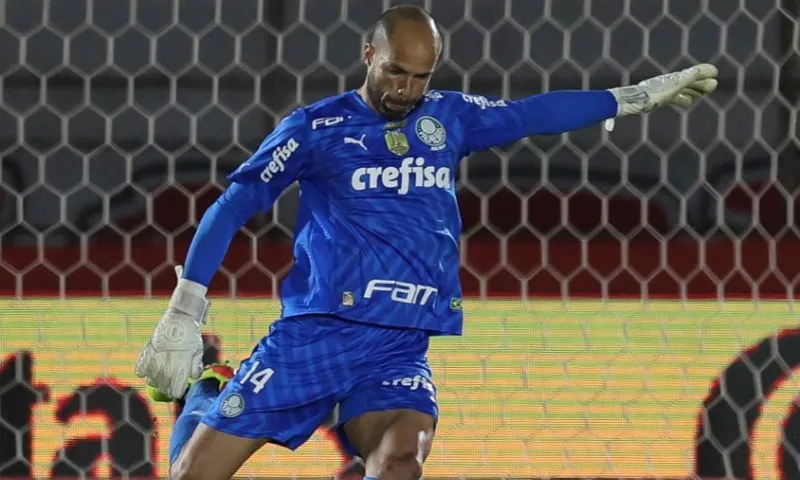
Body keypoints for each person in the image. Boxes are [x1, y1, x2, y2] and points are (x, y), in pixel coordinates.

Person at [134, 4, 718, 480]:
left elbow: (534, 113)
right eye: (395, 72)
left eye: (420, 77)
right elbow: (233, 205)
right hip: (316, 336)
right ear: (369, 55)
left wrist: (631, 97)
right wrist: (186, 309)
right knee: (191, 476)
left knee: (400, 463)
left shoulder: (449, 118)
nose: (406, 90)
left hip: (398, 348)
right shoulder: (316, 130)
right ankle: (206, 391)